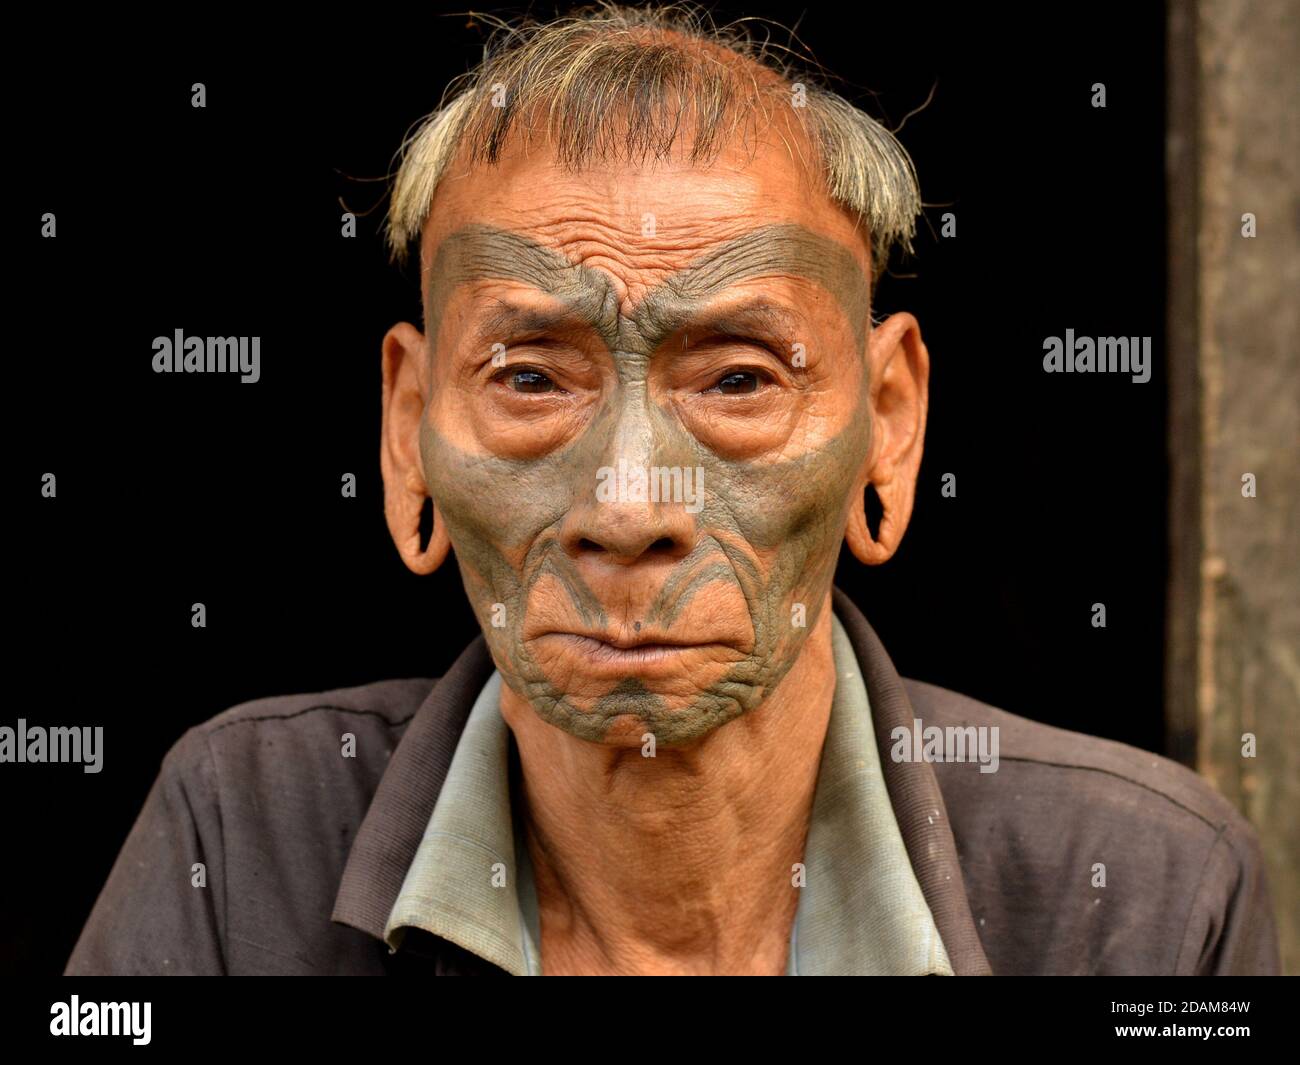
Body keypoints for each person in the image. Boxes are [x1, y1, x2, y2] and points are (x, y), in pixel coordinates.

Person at [67, 2, 1279, 976]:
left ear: (890, 424)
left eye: (740, 379)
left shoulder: (1144, 893)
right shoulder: (237, 838)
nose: (629, 508)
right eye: (532, 378)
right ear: (406, 432)